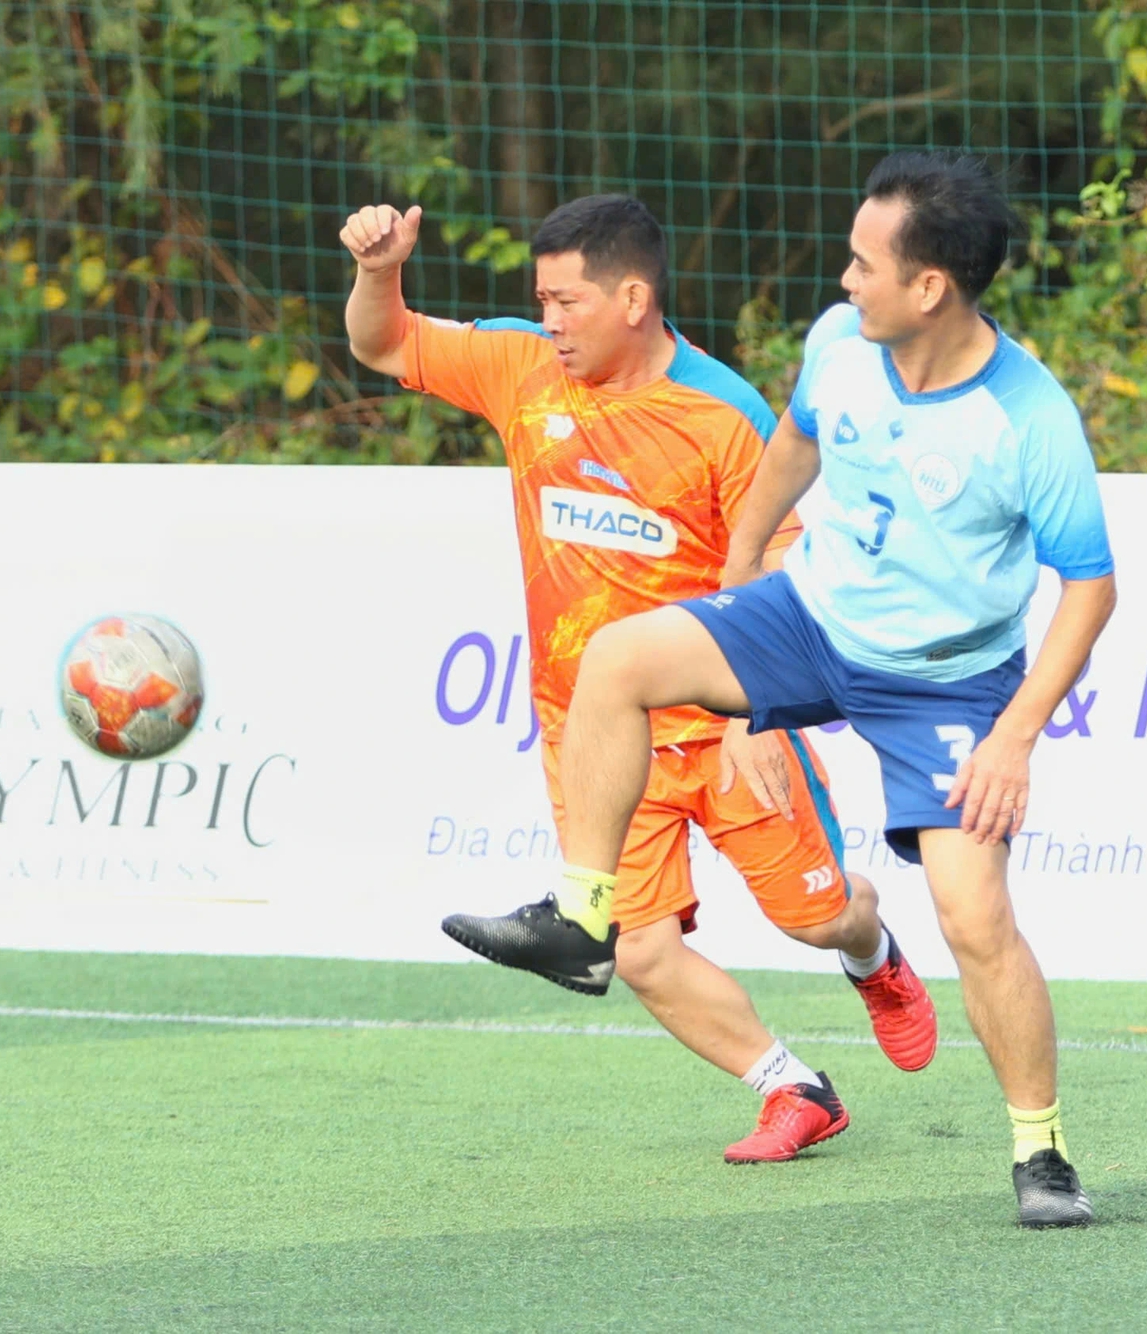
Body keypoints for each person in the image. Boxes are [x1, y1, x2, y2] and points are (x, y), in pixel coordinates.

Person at [448, 153, 1117, 1227]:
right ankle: (581, 914)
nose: (843, 280)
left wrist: (1013, 739)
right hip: (805, 617)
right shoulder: (836, 346)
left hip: (939, 683)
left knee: (973, 913)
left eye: (862, 263)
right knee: (618, 658)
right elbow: (796, 443)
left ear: (929, 286)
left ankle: (1039, 1152)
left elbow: (1089, 589)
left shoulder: (1026, 421)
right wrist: (737, 579)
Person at [340, 193, 938, 1163]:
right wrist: (378, 270)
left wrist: (760, 712)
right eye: (539, 300)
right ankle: (792, 1087)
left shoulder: (722, 413)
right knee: (637, 947)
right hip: (593, 732)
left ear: (632, 296)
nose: (548, 322)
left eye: (565, 301)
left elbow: (785, 565)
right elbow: (383, 342)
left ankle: (873, 957)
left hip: (720, 713)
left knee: (816, 916)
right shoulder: (519, 366)